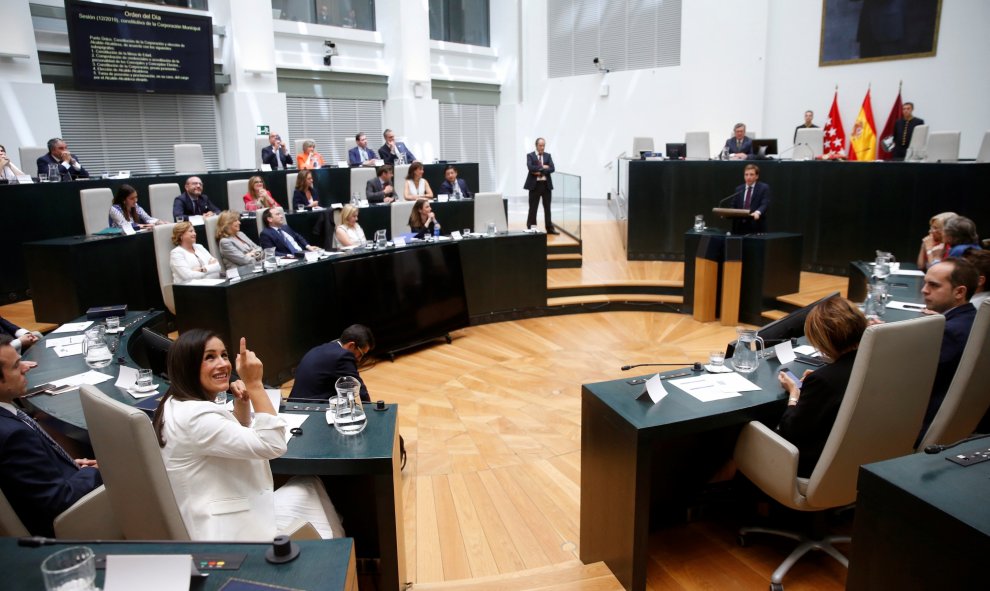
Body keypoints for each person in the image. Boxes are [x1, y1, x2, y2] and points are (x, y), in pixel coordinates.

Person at [152, 330, 343, 540]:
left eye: (224, 355)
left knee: (310, 485)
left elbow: (226, 440)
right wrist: (254, 384)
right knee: (309, 487)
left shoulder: (174, 402)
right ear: (188, 366)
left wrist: (242, 404)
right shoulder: (197, 417)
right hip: (227, 531)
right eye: (210, 357)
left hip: (219, 508)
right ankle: (339, 558)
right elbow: (273, 445)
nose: (223, 364)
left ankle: (337, 550)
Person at [0, 335, 102, 536]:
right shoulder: (13, 435)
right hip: (66, 527)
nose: (25, 368)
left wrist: (74, 467)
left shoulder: (8, 418)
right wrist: (96, 472)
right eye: (15, 366)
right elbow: (59, 500)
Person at [777, 297, 867, 477]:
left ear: (822, 339)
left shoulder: (824, 381)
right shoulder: (873, 363)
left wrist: (794, 393)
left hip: (812, 469)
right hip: (862, 462)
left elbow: (790, 432)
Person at [919, 257, 979, 433]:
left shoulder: (951, 332)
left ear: (959, 292)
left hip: (926, 424)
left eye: (934, 285)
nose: (924, 290)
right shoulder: (970, 317)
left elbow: (914, 378)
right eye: (925, 283)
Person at [289, 325, 374, 403]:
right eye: (361, 354)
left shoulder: (322, 348)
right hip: (310, 410)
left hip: (293, 405)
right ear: (351, 345)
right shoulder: (343, 357)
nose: (359, 359)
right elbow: (358, 390)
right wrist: (372, 412)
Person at [524, 137, 557, 234]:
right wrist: (544, 167)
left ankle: (549, 228)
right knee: (533, 207)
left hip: (546, 185)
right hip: (535, 186)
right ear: (536, 145)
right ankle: (531, 228)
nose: (542, 147)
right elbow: (530, 168)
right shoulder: (530, 155)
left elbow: (552, 168)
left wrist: (539, 171)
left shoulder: (548, 156)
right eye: (540, 145)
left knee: (547, 208)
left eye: (544, 145)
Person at [730, 164, 770, 234]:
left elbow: (765, 203)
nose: (748, 177)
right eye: (746, 174)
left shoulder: (763, 188)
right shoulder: (739, 189)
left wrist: (758, 212)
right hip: (739, 227)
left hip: (756, 225)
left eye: (751, 175)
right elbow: (733, 205)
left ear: (757, 176)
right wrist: (727, 213)